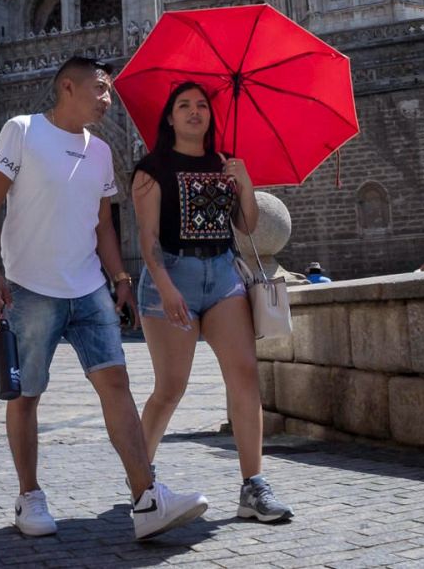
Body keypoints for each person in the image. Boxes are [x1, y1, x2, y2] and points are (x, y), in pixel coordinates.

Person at [0, 56, 208, 541]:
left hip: (88, 289)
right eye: (100, 90)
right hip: (29, 287)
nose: (108, 100)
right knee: (26, 395)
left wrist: (120, 276)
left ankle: (146, 499)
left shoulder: (101, 151)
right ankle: (29, 495)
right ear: (67, 87)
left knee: (116, 386)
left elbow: (103, 223)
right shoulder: (21, 130)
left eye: (108, 91)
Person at [130, 81, 292, 523]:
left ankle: (253, 486)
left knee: (244, 376)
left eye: (201, 105)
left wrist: (244, 184)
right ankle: (140, 481)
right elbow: (147, 239)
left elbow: (247, 225)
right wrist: (165, 286)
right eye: (184, 105)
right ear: (170, 116)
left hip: (222, 273)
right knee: (170, 388)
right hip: (172, 274)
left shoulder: (225, 163)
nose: (194, 111)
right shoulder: (151, 168)